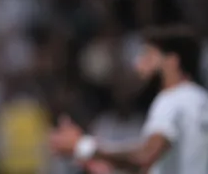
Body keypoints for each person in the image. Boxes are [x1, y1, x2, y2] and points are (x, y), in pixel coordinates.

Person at [51, 25, 208, 174]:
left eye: (148, 55)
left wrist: (82, 146)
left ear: (172, 61)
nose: (139, 64)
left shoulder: (170, 100)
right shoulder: (201, 99)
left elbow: (145, 157)